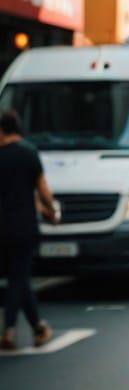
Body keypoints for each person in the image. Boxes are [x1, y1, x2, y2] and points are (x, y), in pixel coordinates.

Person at [0, 108, 59, 350]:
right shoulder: (29, 153)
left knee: (18, 278)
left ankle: (38, 328)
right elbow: (41, 189)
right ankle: (10, 331)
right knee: (18, 277)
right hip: (25, 227)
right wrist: (51, 212)